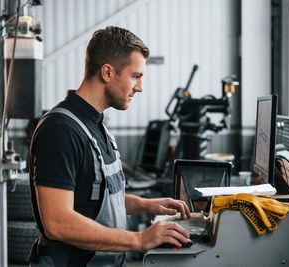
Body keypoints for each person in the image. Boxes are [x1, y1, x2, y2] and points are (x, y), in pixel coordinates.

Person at [28, 26, 191, 267]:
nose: (140, 87)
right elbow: (58, 223)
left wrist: (147, 205)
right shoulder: (61, 130)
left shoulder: (96, 125)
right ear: (107, 72)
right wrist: (138, 239)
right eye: (135, 76)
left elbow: (93, 200)